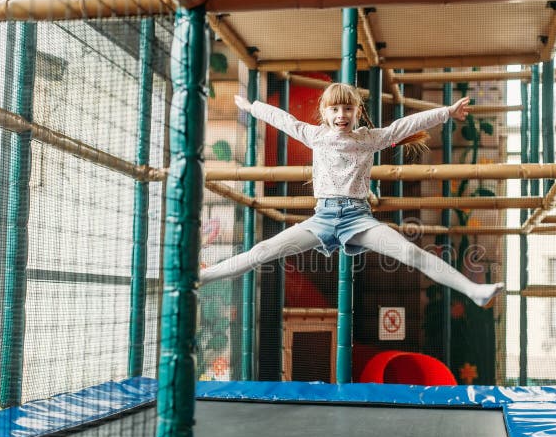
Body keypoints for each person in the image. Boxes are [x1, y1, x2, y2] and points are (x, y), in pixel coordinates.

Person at [200, 83, 504, 307]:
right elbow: (284, 121)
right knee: (263, 251)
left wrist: (447, 112)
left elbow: (404, 126)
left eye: (347, 108)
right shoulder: (314, 135)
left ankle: (474, 292)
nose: (341, 115)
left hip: (358, 219)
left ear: (357, 112)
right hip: (322, 219)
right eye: (334, 109)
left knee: (412, 253)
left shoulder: (368, 139)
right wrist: (253, 107)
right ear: (324, 113)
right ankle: (203, 277)